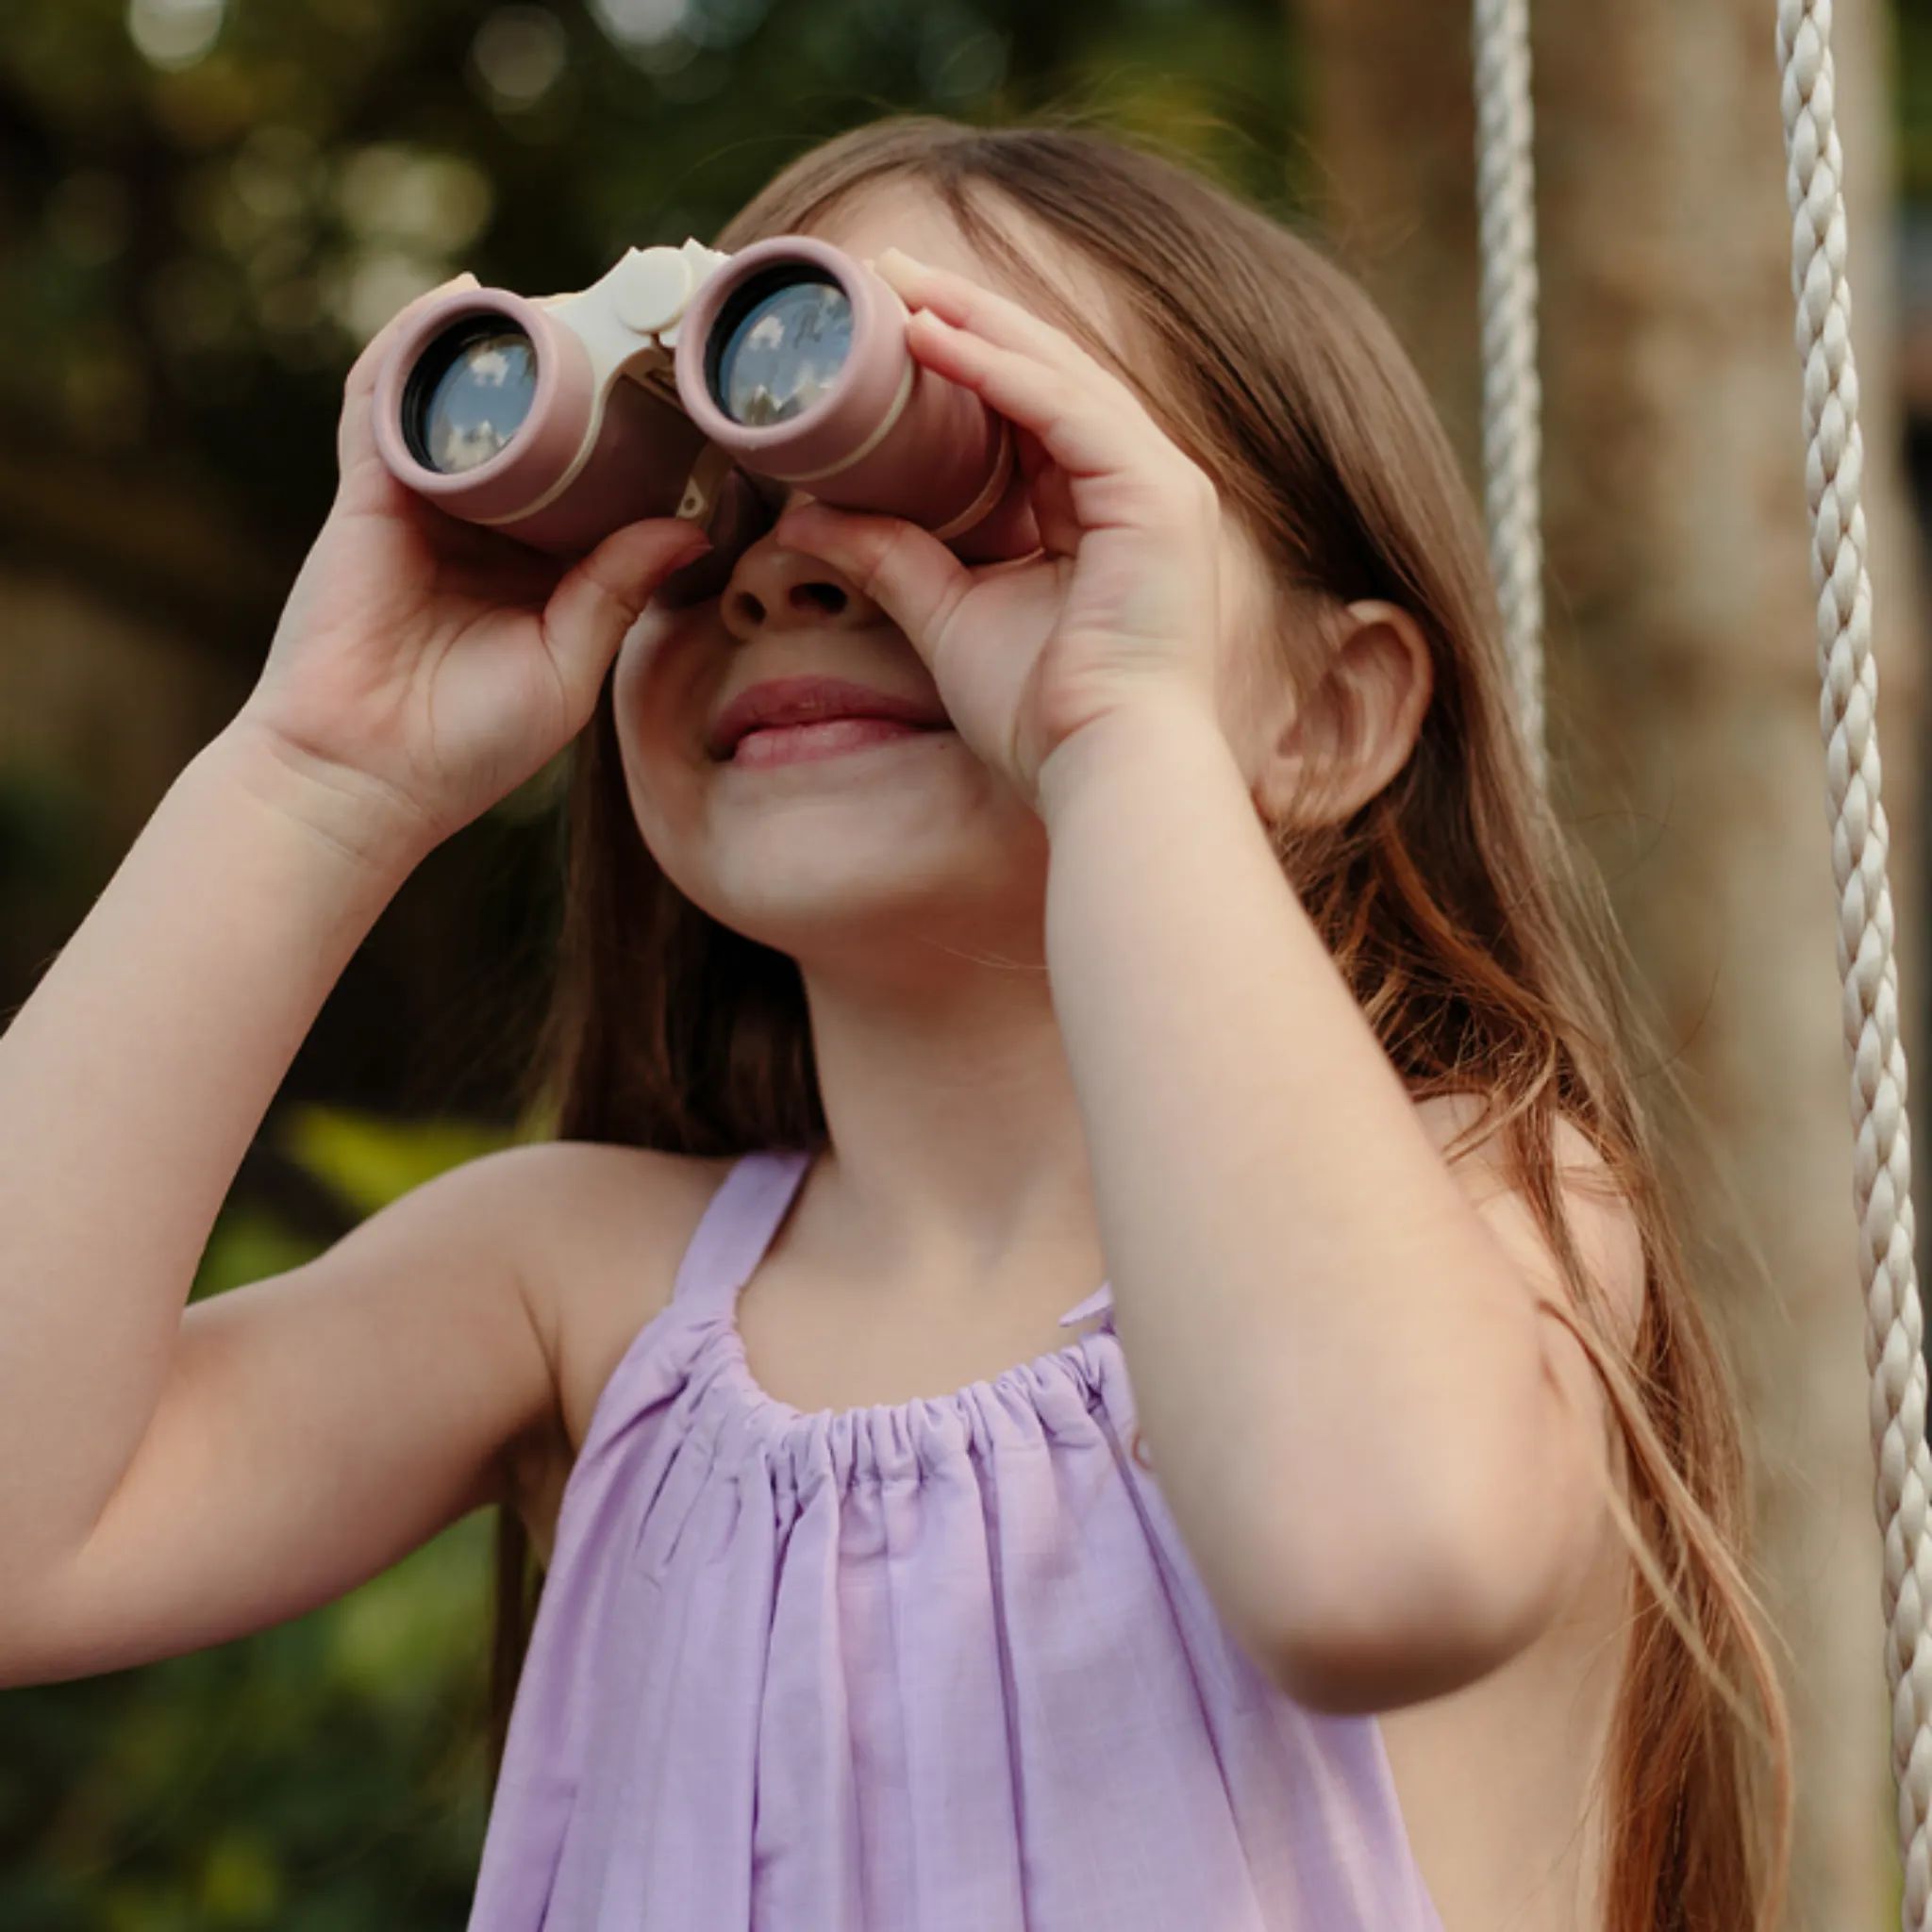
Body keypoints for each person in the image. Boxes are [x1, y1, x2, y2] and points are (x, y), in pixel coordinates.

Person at [0, 116, 1790, 1932]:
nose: (793, 571)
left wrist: (1122, 740)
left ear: (1328, 712)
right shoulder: (573, 1287)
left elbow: (1374, 1561)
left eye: (973, 497)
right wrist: (314, 779)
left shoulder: (1482, 1205)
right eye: (711, 516)